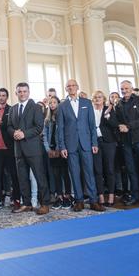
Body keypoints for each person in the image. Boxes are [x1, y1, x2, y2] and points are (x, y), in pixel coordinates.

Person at [57, 80, 105, 212]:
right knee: (74, 173)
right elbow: (60, 128)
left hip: (86, 143)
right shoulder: (62, 106)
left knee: (89, 172)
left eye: (73, 85)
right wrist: (62, 147)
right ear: (66, 89)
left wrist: (94, 143)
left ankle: (93, 200)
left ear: (77, 87)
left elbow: (91, 125)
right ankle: (79, 200)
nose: (71, 88)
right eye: (69, 86)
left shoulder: (87, 102)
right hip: (70, 145)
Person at [7, 82, 51, 215]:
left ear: (29, 92)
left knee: (39, 176)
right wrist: (13, 133)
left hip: (33, 148)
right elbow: (8, 126)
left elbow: (39, 127)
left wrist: (24, 134)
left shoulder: (35, 107)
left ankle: (45, 203)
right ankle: (26, 204)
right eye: (19, 91)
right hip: (18, 149)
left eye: (24, 91)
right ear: (16, 93)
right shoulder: (13, 109)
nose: (22, 94)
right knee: (22, 178)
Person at [44, 96, 71, 209]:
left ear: (58, 104)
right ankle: (59, 196)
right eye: (50, 103)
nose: (52, 104)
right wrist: (48, 149)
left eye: (54, 102)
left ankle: (67, 196)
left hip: (62, 149)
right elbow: (44, 136)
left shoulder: (63, 116)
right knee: (56, 175)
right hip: (52, 150)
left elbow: (65, 133)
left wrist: (62, 148)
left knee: (65, 174)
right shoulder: (47, 119)